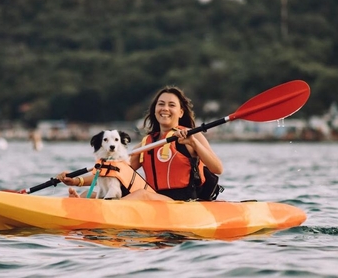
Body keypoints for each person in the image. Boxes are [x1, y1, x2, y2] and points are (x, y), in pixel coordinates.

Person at [56, 86, 223, 201]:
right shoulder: (146, 143)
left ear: (180, 112)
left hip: (184, 202)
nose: (165, 108)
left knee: (141, 195)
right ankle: (78, 205)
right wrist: (76, 181)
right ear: (155, 110)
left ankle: (104, 211)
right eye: (161, 104)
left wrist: (193, 143)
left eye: (171, 105)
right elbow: (112, 171)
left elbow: (217, 168)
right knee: (91, 193)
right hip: (156, 198)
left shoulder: (193, 135)